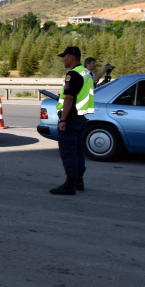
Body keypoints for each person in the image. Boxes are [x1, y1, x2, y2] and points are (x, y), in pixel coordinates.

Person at [50, 46, 94, 195]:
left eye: (64, 57)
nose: (62, 60)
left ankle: (69, 184)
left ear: (71, 57)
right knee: (78, 151)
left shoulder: (72, 74)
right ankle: (78, 180)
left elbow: (69, 98)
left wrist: (63, 119)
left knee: (68, 151)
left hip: (70, 119)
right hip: (81, 118)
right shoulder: (86, 73)